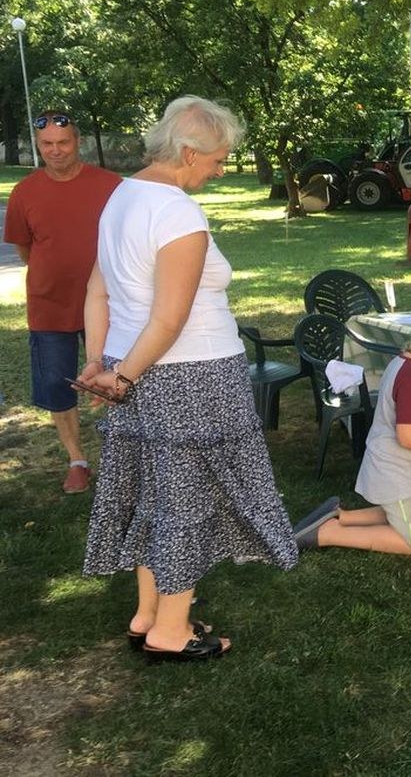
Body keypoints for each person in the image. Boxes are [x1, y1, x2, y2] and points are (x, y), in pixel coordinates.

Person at [78, 96, 297, 661]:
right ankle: (171, 631)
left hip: (137, 368)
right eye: (219, 159)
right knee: (188, 501)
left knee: (157, 493)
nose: (223, 169)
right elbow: (170, 318)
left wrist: (100, 362)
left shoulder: (121, 196)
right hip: (192, 375)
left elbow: (97, 291)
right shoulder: (176, 211)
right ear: (189, 152)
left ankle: (148, 612)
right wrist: (119, 376)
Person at [3, 110, 121, 493]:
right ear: (39, 146)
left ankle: (124, 455)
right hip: (49, 305)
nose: (55, 151)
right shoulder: (25, 192)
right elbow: (25, 249)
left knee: (119, 377)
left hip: (109, 304)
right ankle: (77, 460)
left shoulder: (112, 185)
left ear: (78, 141)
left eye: (63, 142)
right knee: (57, 384)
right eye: (47, 145)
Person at [293, 312, 411, 554]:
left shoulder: (404, 364)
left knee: (401, 512)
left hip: (398, 470)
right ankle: (330, 533)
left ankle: (342, 516)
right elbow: (408, 437)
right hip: (400, 475)